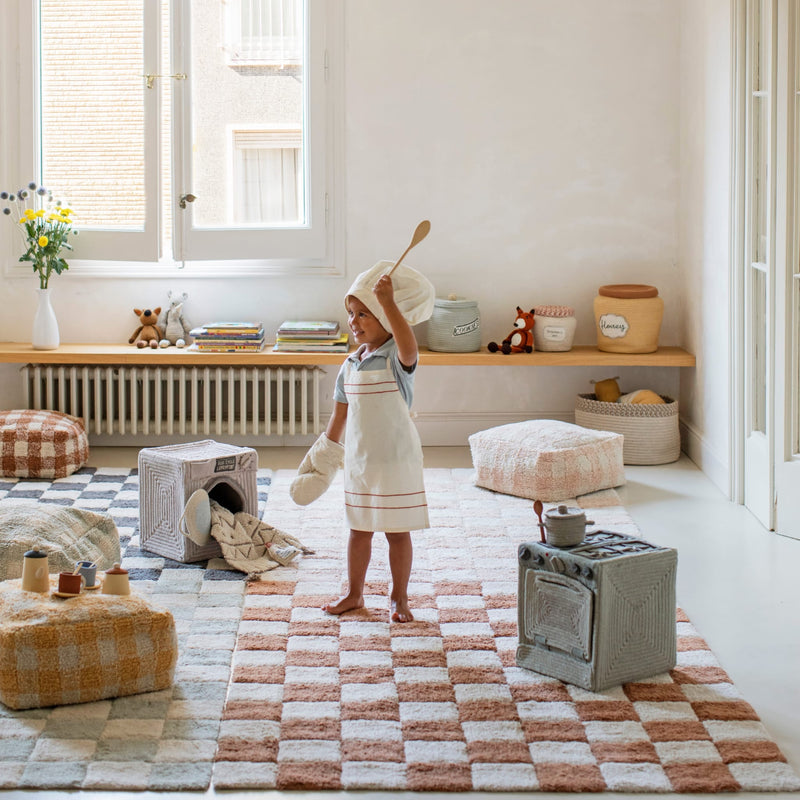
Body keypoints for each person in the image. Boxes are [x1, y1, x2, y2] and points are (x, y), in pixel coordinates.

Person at [289, 259, 435, 622]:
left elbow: (409, 345)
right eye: (351, 313)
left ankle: (399, 598)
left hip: (396, 461)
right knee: (359, 530)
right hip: (360, 462)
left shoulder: (399, 360)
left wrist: (387, 302)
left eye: (363, 314)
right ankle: (355, 593)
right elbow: (338, 418)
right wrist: (321, 460)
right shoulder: (350, 364)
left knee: (397, 533)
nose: (354, 322)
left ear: (385, 318)